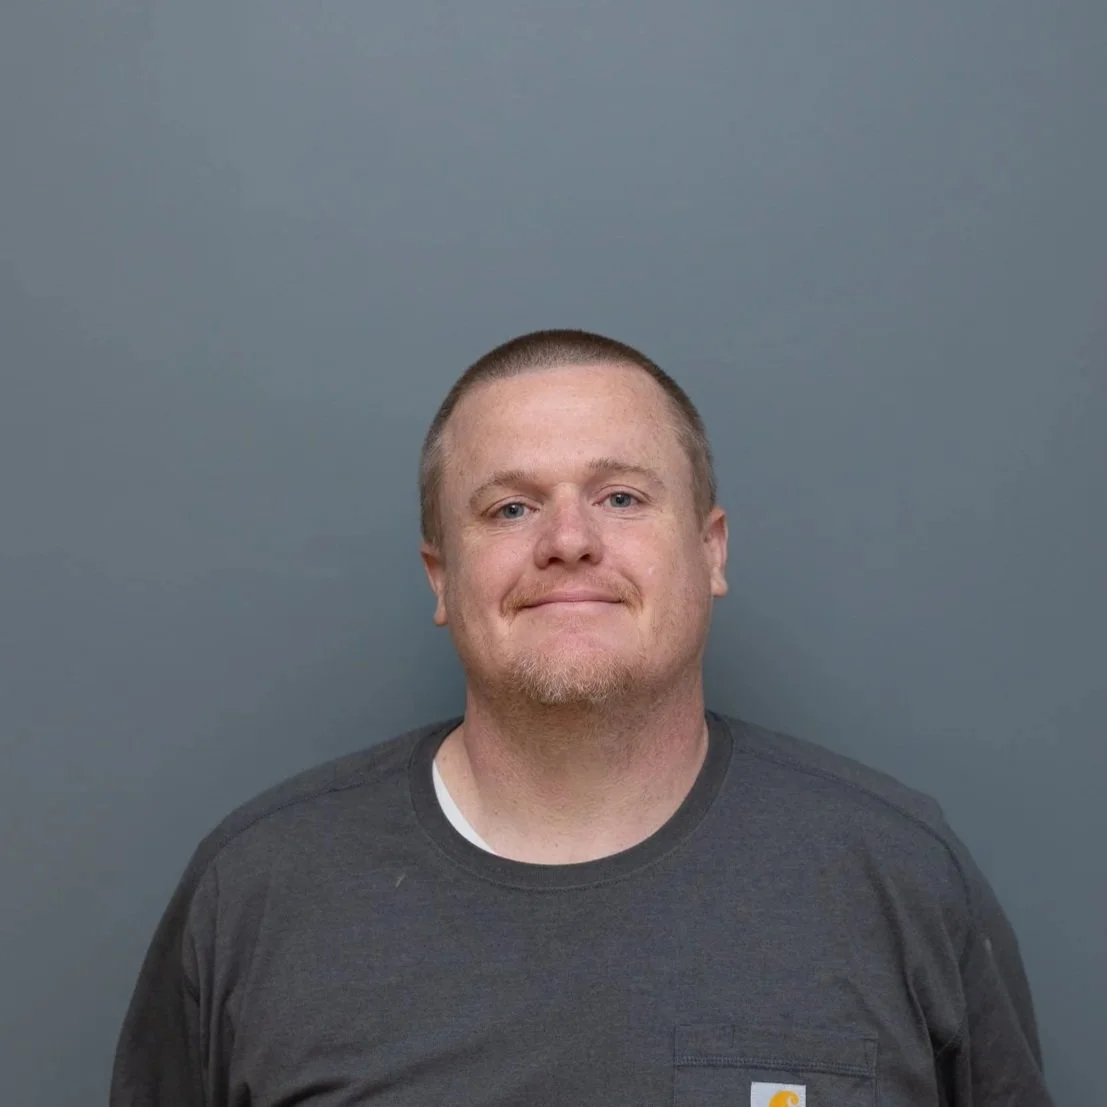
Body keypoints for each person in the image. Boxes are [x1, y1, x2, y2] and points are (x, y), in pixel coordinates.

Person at [111, 329, 1054, 1106]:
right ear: (442, 577)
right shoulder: (258, 892)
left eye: (620, 496)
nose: (568, 540)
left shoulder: (895, 876)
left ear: (710, 551)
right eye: (511, 506)